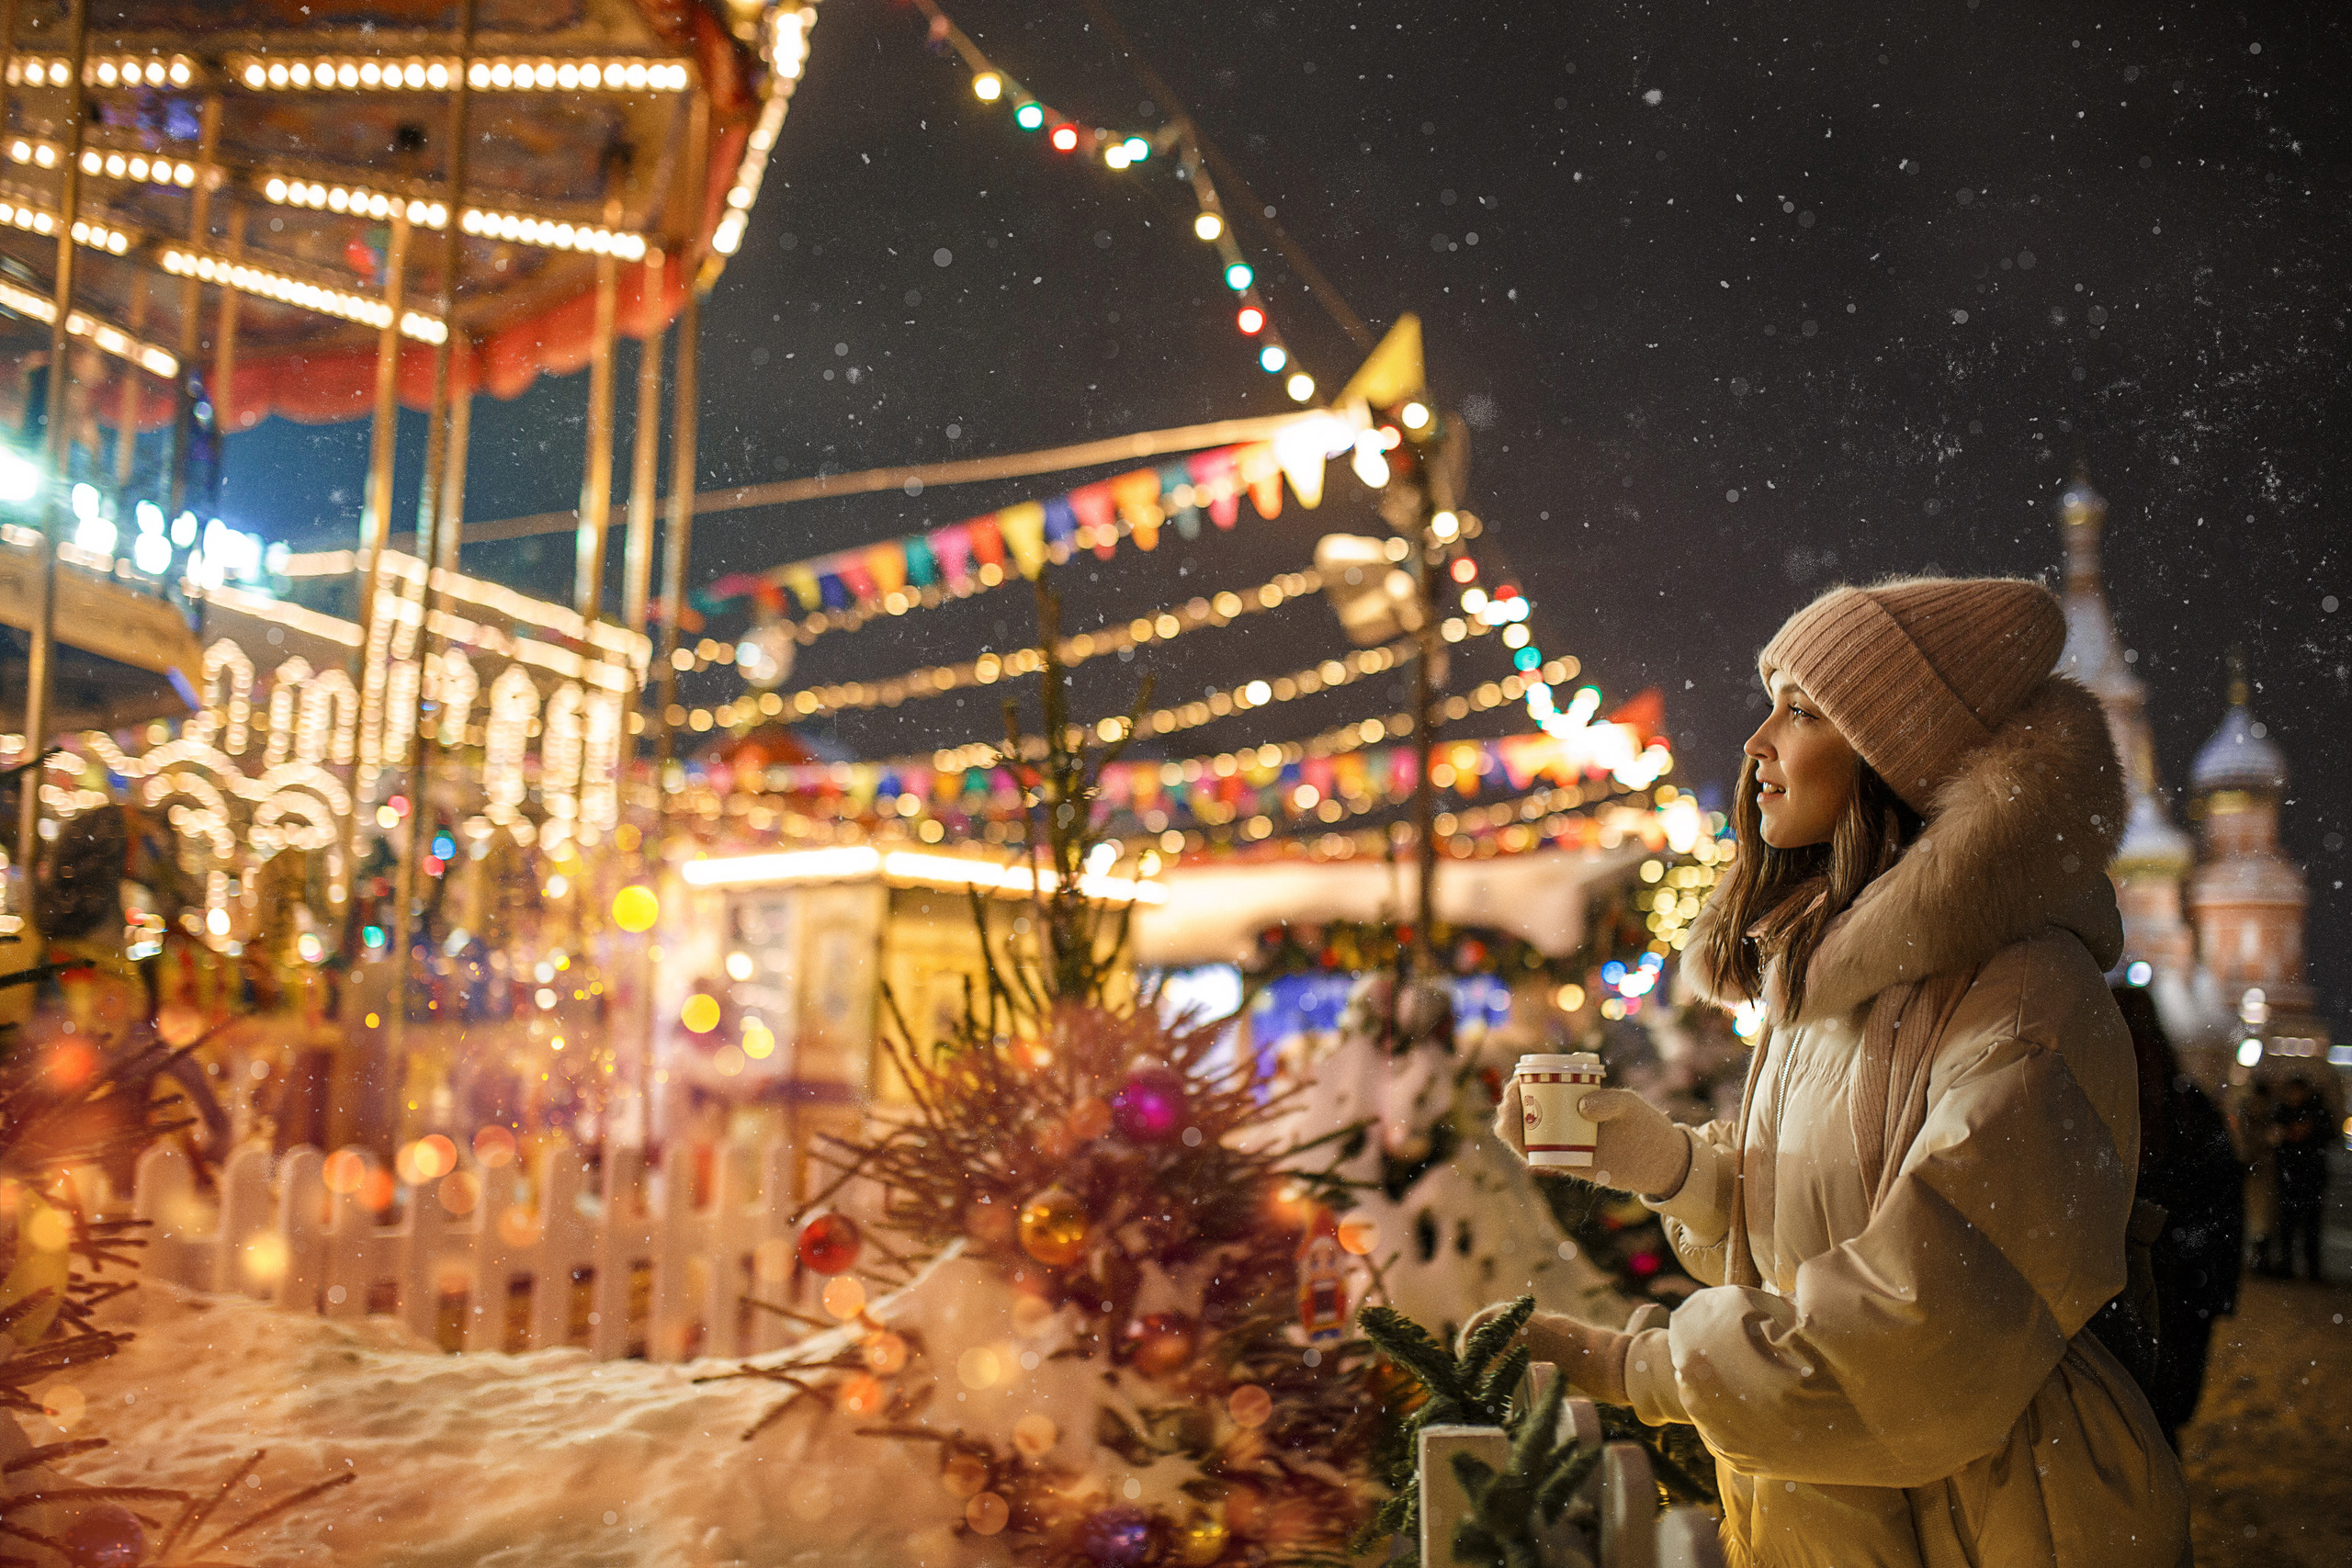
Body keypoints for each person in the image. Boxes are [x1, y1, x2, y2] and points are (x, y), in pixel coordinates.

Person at [1472, 578, 2188, 1567]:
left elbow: (1909, 1330)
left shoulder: (2026, 1003)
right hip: (1850, 1513)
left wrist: (1622, 1365)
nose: (1757, 744)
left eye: (1803, 711)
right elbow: (1827, 1227)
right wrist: (1672, 1166)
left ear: (1900, 759)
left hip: (2001, 1520)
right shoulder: (1837, 982)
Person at [2110, 985, 2243, 1448]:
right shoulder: (2189, 1106)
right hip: (2179, 1290)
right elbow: (2224, 1207)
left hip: (2121, 1290)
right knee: (2158, 1429)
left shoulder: (2091, 1105)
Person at [2272, 1074, 2332, 1282]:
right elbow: (2275, 1138)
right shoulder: (2283, 1112)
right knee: (2288, 1223)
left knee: (2311, 1225)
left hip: (2311, 1175)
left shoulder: (2316, 1112)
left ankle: (2312, 1268)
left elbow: (2328, 1134)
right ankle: (2287, 1264)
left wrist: (2309, 1131)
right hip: (2290, 1175)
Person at [2234, 1079, 2280, 1274]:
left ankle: (2258, 1259)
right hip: (2258, 1172)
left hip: (2258, 1173)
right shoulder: (2260, 1116)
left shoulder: (2254, 1115)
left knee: (2259, 1219)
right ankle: (2258, 1260)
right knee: (2260, 1219)